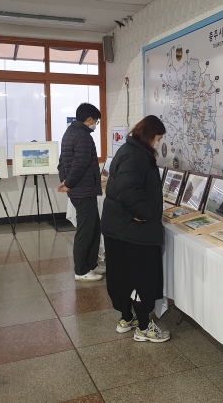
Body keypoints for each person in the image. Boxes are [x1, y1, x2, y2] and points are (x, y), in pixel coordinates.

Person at [101, 115, 170, 342]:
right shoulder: (136, 155)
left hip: (118, 228)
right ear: (150, 135)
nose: (159, 142)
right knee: (141, 277)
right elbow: (127, 189)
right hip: (132, 232)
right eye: (158, 137)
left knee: (122, 276)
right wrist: (144, 213)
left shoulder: (129, 149)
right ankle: (144, 328)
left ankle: (126, 318)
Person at [58, 103, 104, 282]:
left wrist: (65, 182)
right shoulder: (83, 136)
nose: (95, 125)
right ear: (89, 118)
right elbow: (80, 164)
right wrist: (68, 183)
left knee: (94, 227)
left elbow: (62, 162)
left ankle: (91, 264)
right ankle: (81, 270)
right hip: (83, 190)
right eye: (96, 121)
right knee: (86, 231)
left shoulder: (70, 132)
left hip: (80, 189)